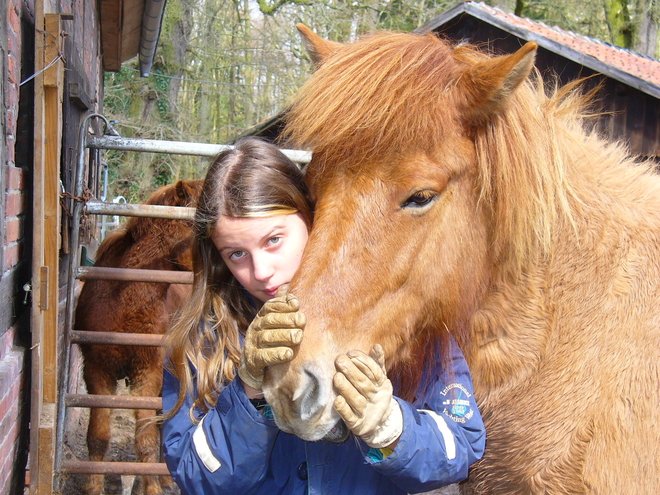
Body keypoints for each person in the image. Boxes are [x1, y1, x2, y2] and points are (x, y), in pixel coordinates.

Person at [161, 137, 486, 495]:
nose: (262, 271)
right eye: (237, 253)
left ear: (311, 215)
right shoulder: (206, 338)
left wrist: (390, 427)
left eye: (273, 240)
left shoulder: (402, 315)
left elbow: (461, 448)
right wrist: (249, 391)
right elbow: (196, 476)